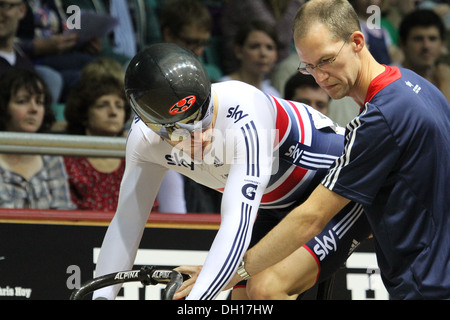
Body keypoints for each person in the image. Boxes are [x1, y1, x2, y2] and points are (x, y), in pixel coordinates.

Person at [91, 43, 371, 300]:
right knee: (240, 301)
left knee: (265, 289)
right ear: (153, 127)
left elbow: (236, 224)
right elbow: (127, 224)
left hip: (341, 190)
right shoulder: (144, 141)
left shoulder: (245, 112)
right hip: (274, 204)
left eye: (203, 116)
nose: (200, 137)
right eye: (183, 130)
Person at [224, 0, 450, 300]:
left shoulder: (379, 118)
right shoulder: (418, 85)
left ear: (358, 41)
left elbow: (311, 218)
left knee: (263, 290)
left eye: (327, 60)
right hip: (434, 278)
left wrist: (225, 273)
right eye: (309, 66)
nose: (319, 76)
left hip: (426, 288)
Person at [0, 67, 75, 210]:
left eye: (39, 102)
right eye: (23, 101)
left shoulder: (52, 157)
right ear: (3, 107)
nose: (34, 109)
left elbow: (64, 216)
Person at [220, 0, 304, 74]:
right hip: (240, 73)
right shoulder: (248, 2)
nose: (264, 53)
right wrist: (296, 3)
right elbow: (277, 36)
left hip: (268, 76)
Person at [218, 20, 281, 97]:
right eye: (254, 46)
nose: (263, 53)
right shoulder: (222, 88)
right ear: (239, 51)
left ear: (276, 54)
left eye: (269, 48)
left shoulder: (274, 94)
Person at [399, 9, 450, 102]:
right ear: (403, 44)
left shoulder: (441, 76)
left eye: (432, 39)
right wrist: (446, 85)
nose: (426, 46)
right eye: (418, 39)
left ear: (442, 44)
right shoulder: (390, 80)